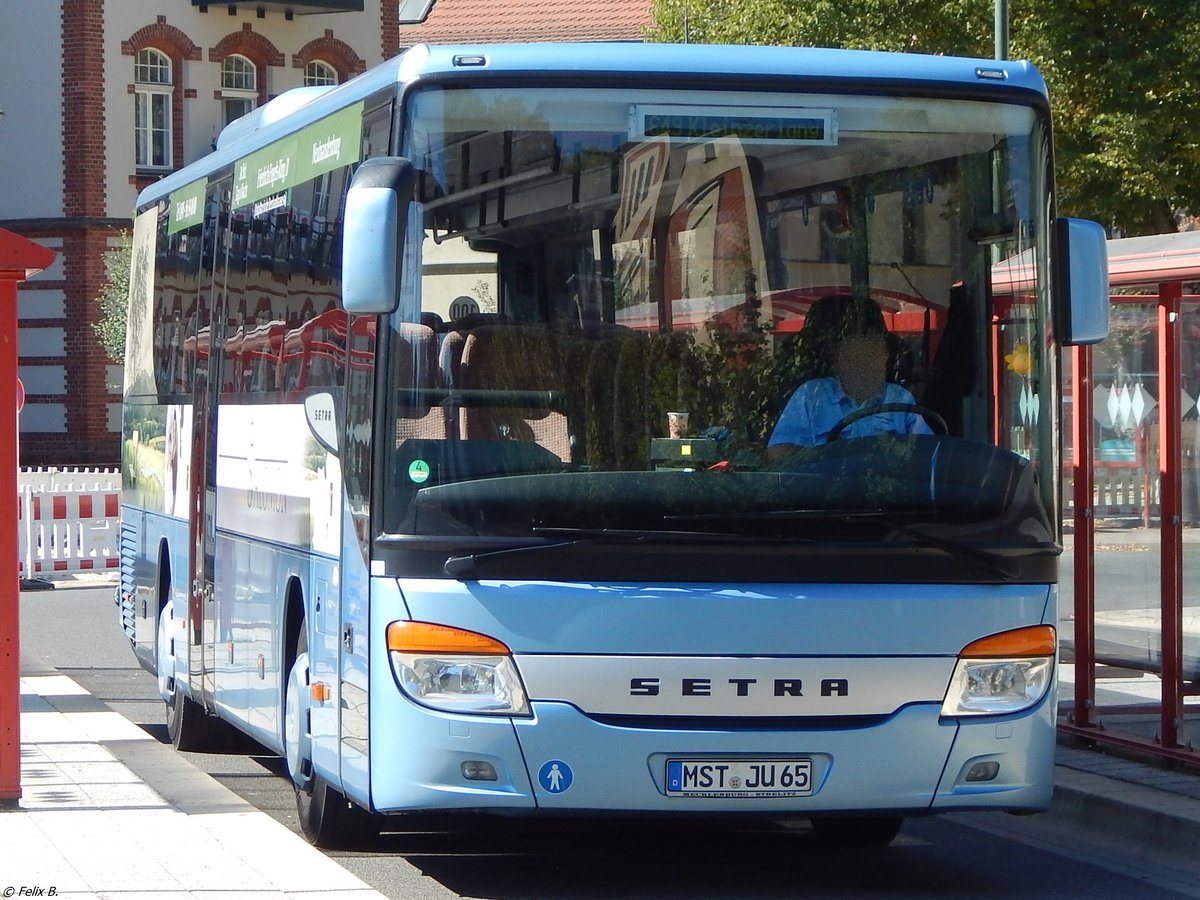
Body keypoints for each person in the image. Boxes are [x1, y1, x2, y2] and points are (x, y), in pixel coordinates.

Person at [767, 296, 932, 456]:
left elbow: (926, 451)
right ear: (839, 357)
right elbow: (778, 453)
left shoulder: (900, 398)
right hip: (828, 483)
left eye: (874, 350)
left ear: (885, 354)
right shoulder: (811, 395)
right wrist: (830, 456)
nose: (866, 360)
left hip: (886, 483)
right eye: (856, 351)